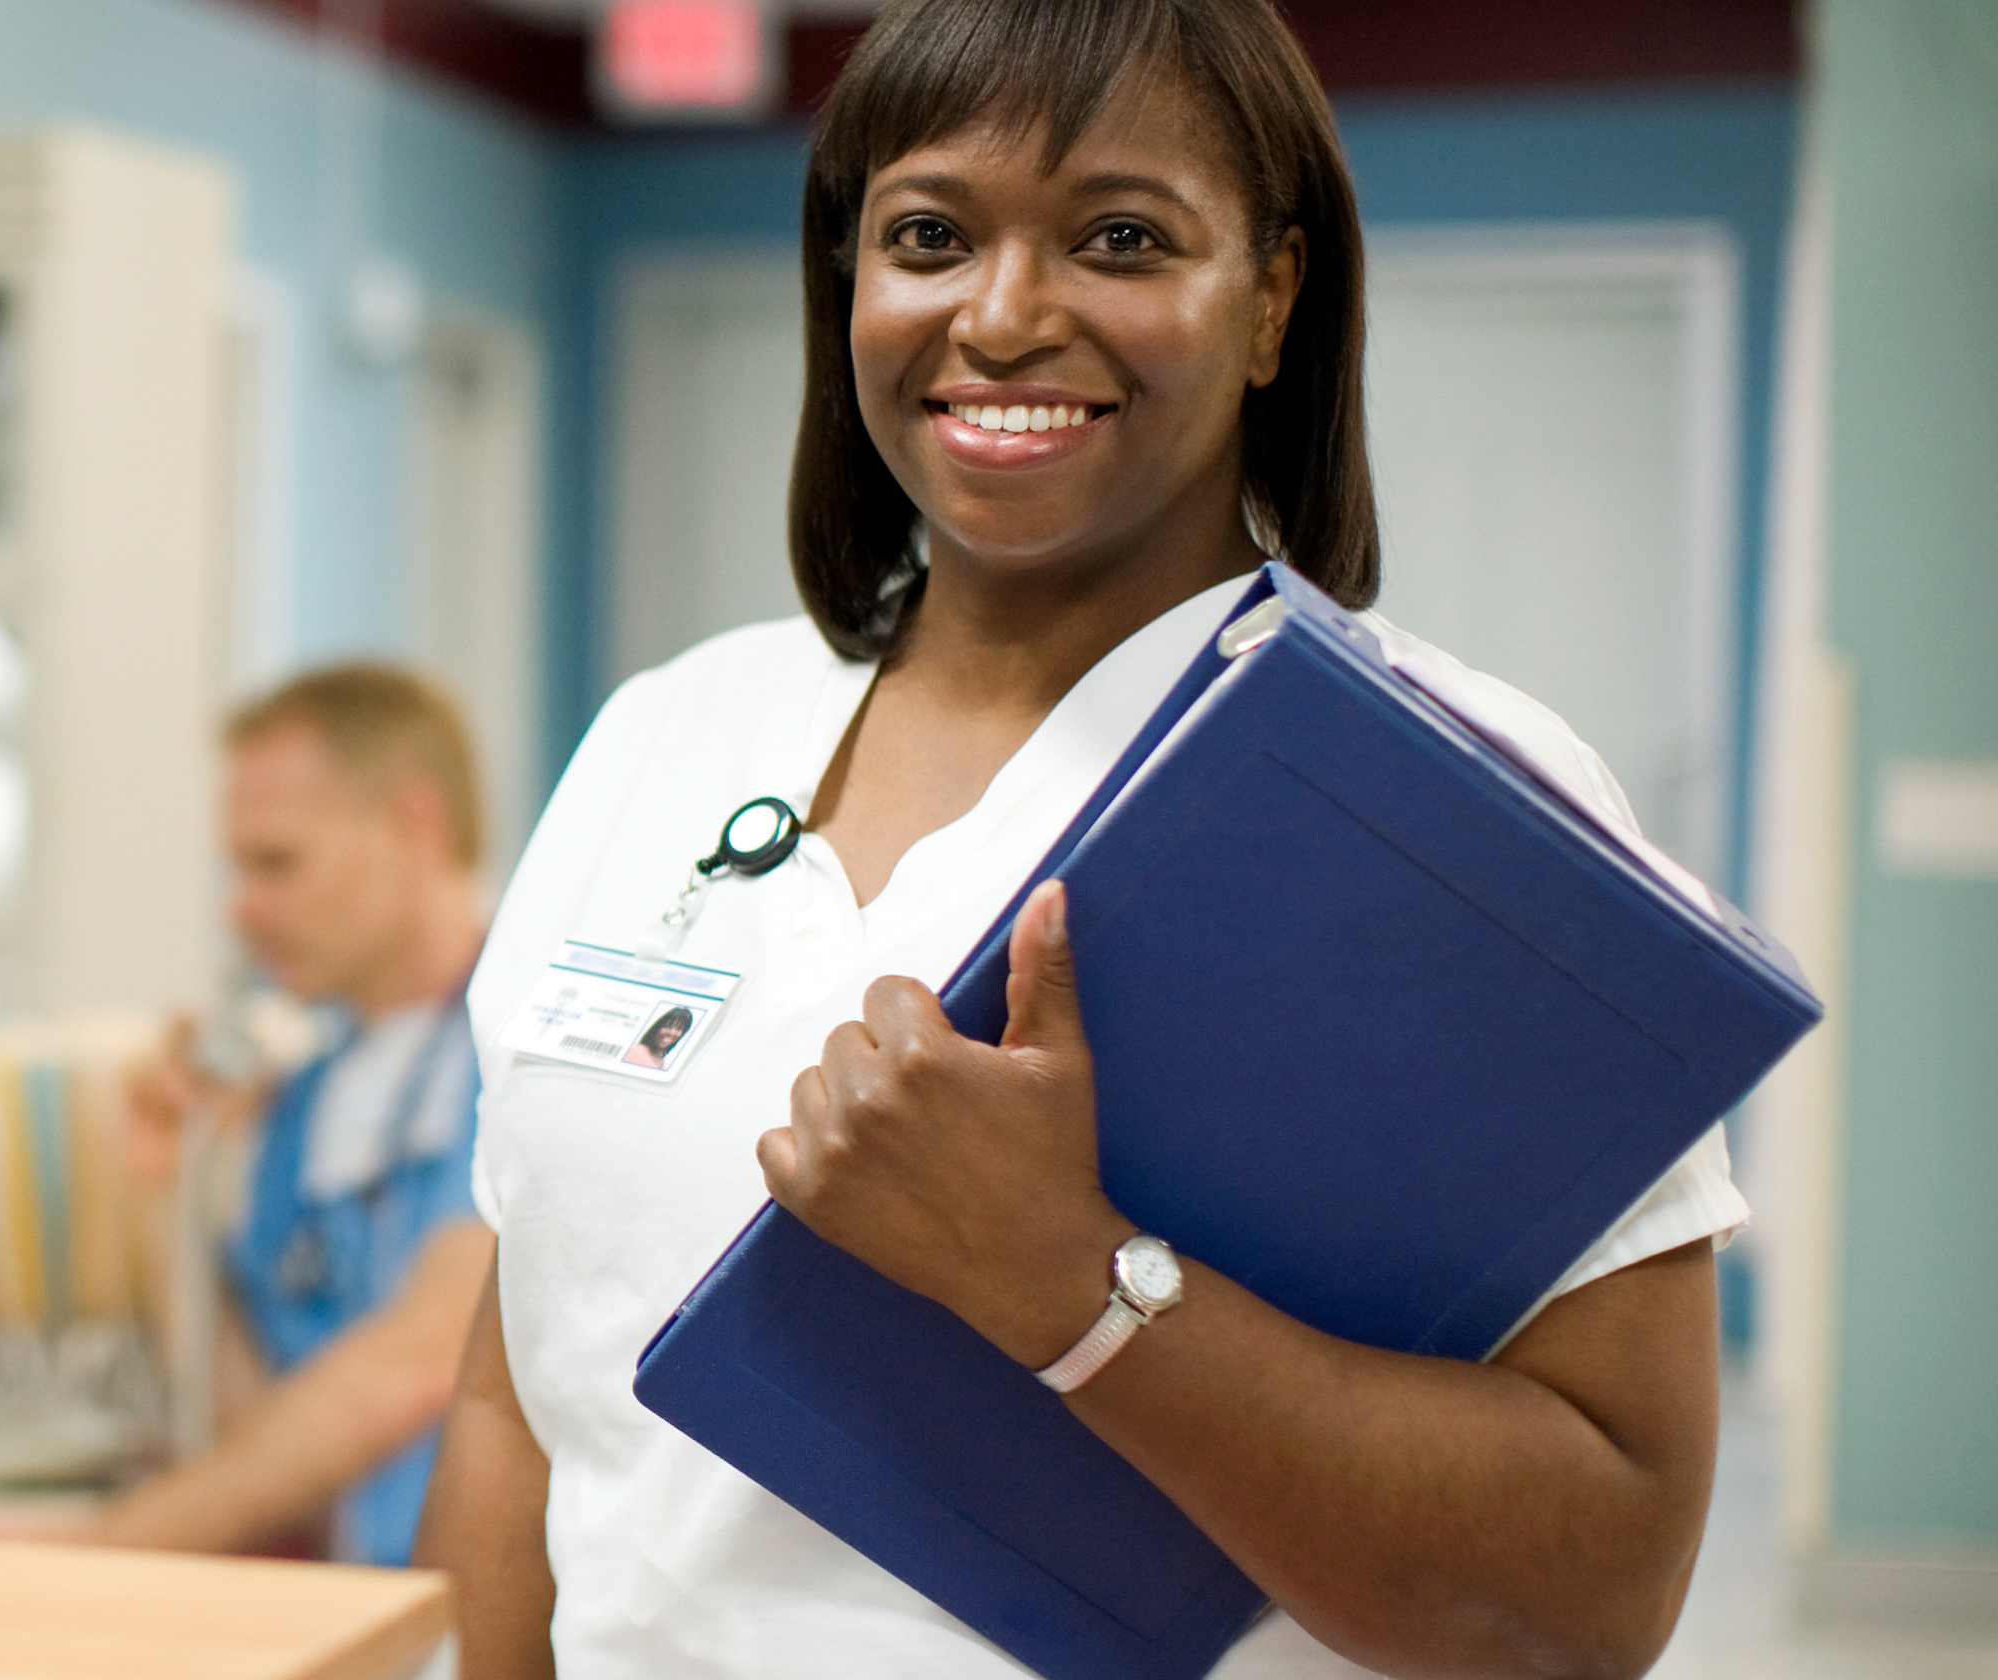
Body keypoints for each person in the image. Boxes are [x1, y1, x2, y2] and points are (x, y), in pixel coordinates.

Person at [422, 2, 1747, 1676]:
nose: (1002, 313)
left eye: (1121, 236)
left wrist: (1071, 1284)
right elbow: (517, 1392)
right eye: (928, 236)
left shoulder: (1448, 797)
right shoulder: (667, 735)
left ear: (1273, 296)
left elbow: (1593, 1599)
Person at [44, 665, 497, 1568]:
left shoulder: (539, 1049)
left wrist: (93, 1555)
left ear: (415, 825)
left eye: (276, 863)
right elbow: (257, 1428)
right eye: (234, 869)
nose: (238, 909)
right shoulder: (307, 1095)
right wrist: (170, 1189)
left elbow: (422, 1362)